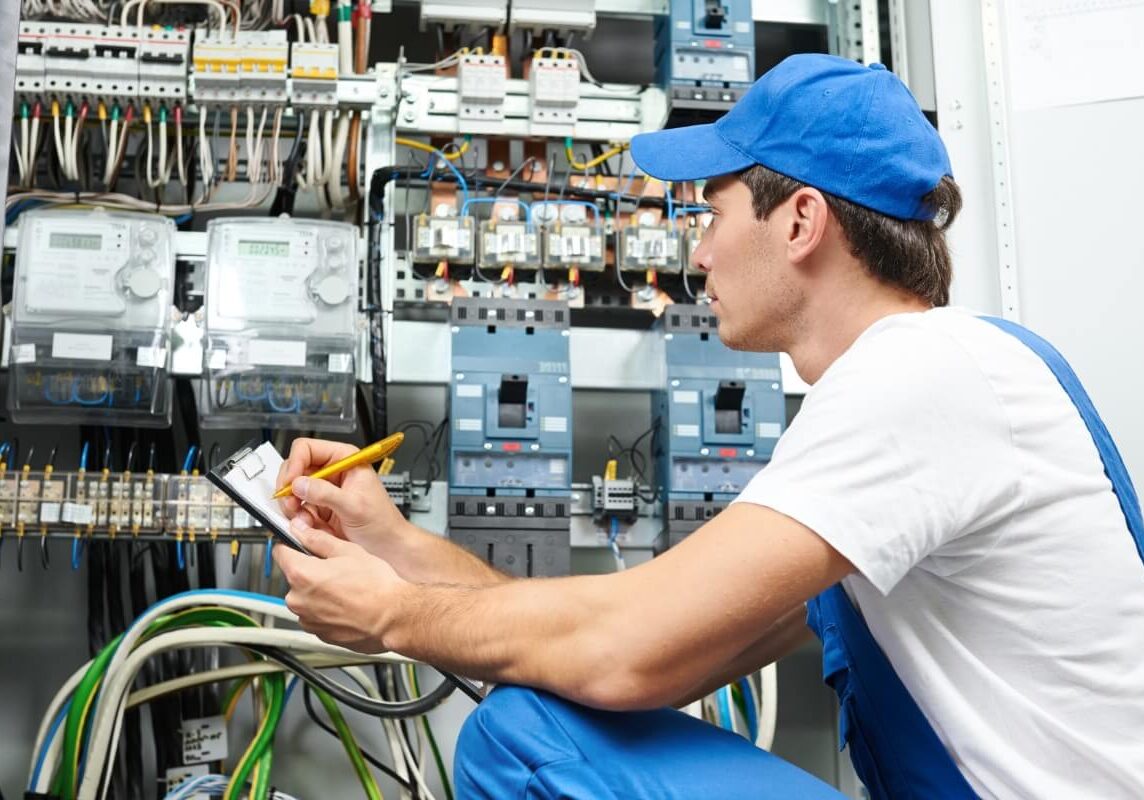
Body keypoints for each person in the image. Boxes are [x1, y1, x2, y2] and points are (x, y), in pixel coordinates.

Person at [273, 54, 1144, 798]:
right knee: (553, 710)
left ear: (801, 221)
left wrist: (392, 618)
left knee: (524, 737)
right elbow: (655, 648)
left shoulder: (921, 374)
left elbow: (622, 651)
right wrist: (396, 548)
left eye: (712, 215)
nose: (696, 253)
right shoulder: (930, 390)